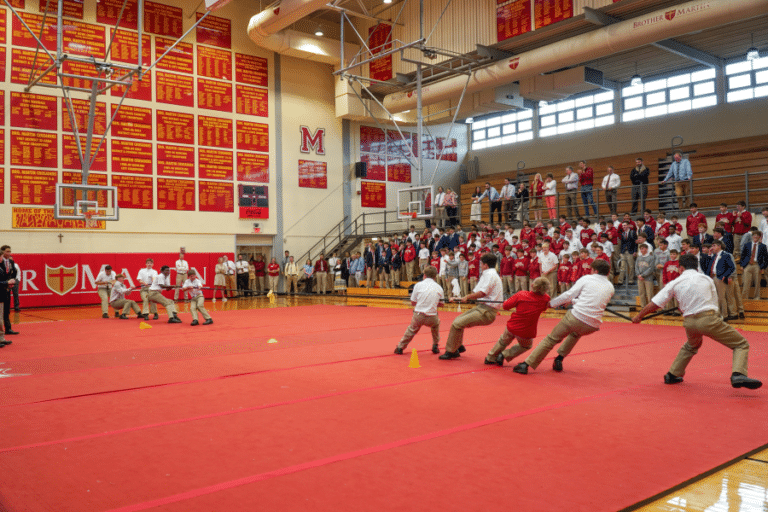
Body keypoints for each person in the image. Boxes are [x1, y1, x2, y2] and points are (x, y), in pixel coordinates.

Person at [632, 255, 761, 390]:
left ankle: (673, 374)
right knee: (741, 344)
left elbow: (655, 304)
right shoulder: (706, 279)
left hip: (689, 322)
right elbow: (714, 301)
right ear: (696, 266)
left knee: (691, 345)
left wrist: (639, 316)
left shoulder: (675, 282)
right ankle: (738, 374)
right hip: (708, 318)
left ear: (680, 268)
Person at [513, 259, 614, 375]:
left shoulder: (587, 278)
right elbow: (591, 301)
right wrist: (574, 301)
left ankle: (526, 365)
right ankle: (559, 359)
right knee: (575, 334)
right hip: (592, 325)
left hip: (576, 318)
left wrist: (551, 303)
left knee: (551, 339)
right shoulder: (610, 286)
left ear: (595, 270)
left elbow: (569, 294)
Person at [439, 252, 503, 359]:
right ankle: (457, 346)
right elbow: (480, 293)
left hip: (487, 311)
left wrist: (467, 297)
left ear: (485, 265)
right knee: (458, 320)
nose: (480, 266)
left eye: (481, 264)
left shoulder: (489, 274)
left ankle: (451, 351)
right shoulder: (490, 273)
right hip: (483, 308)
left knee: (457, 323)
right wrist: (459, 298)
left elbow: (482, 293)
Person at [485, 277, 551, 366]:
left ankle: (490, 357)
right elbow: (544, 308)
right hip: (526, 331)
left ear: (532, 285)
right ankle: (504, 355)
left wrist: (507, 302)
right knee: (526, 346)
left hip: (512, 326)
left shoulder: (521, 294)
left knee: (503, 341)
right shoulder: (546, 298)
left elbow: (505, 306)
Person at [394, 266, 444, 356]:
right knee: (436, 326)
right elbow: (442, 304)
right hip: (432, 316)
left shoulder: (418, 285)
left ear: (424, 275)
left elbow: (413, 302)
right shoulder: (439, 287)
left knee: (411, 330)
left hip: (418, 315)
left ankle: (400, 347)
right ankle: (435, 345)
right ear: (435, 276)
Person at [740, 231, 768, 300]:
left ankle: (756, 297)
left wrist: (763, 267)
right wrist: (741, 265)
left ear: (759, 237)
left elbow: (766, 258)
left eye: (757, 235)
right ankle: (744, 298)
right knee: (746, 282)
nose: (755, 236)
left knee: (757, 282)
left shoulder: (763, 246)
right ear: (752, 236)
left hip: (757, 265)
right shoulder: (747, 245)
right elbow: (743, 255)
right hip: (748, 265)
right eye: (754, 235)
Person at [635, 243, 656, 308]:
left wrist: (643, 275)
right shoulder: (638, 258)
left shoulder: (651, 258)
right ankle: (643, 307)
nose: (641, 250)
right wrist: (638, 275)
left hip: (648, 278)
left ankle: (650, 308)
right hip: (640, 278)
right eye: (640, 249)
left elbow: (651, 268)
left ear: (646, 249)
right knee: (641, 293)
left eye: (642, 249)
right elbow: (636, 267)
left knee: (650, 294)